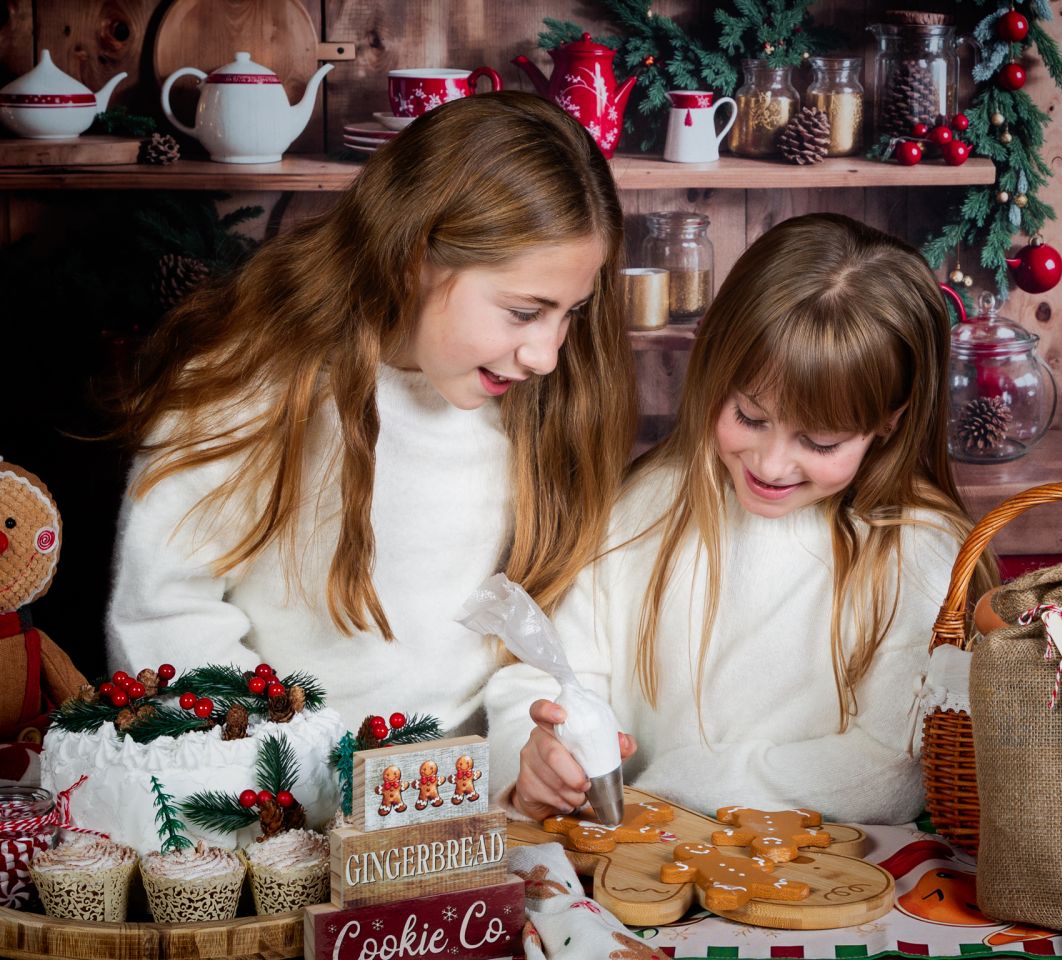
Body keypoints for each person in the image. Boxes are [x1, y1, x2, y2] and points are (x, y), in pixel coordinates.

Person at [107, 91, 636, 731]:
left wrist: (522, 752)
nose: (547, 355)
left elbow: (539, 630)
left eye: (569, 314)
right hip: (270, 801)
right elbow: (166, 615)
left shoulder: (537, 406)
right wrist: (280, 766)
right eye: (525, 312)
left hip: (461, 807)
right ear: (412, 257)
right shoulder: (255, 386)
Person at [486, 213, 994, 825]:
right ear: (716, 370)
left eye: (822, 442)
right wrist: (537, 756)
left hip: (825, 881)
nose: (773, 463)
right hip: (638, 865)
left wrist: (679, 786)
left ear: (890, 419)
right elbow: (551, 675)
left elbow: (892, 772)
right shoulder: (644, 509)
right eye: (751, 417)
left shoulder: (916, 554)